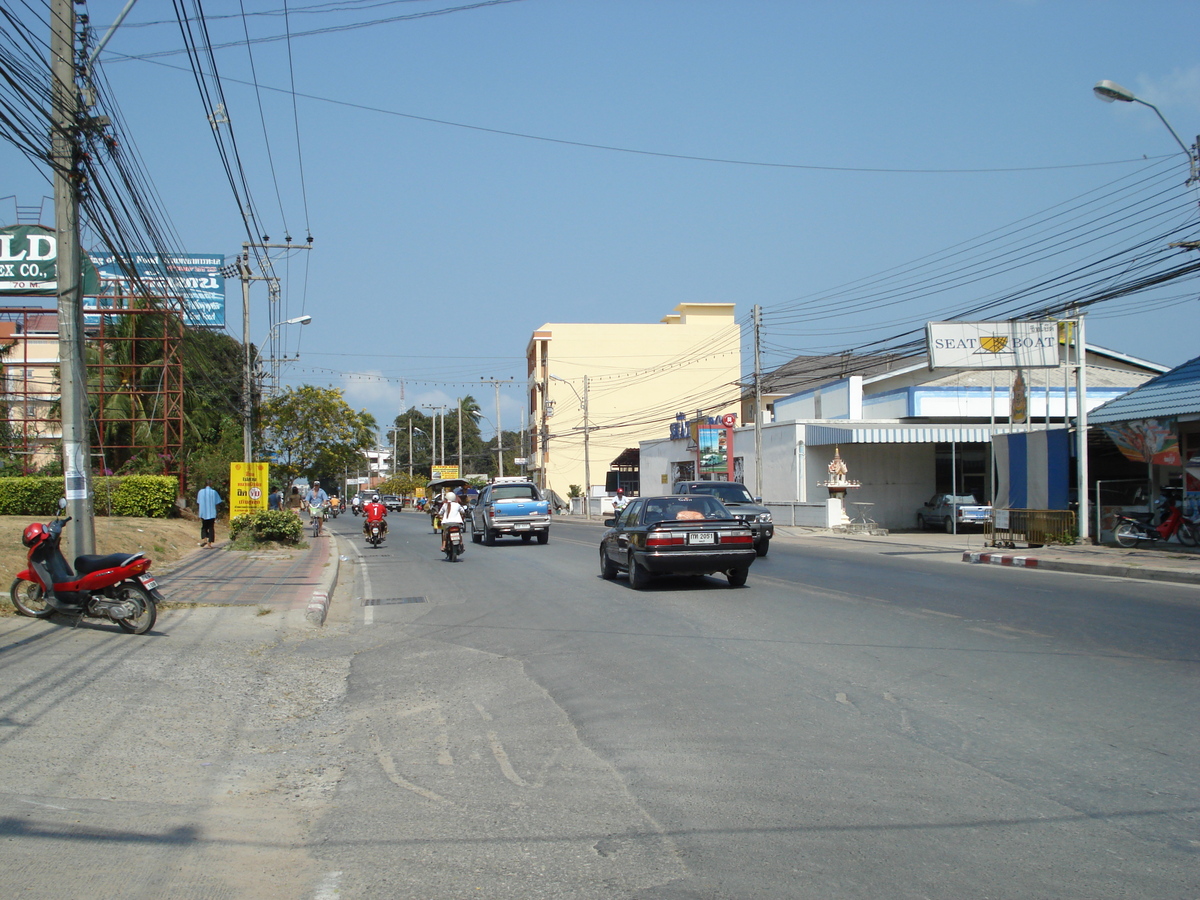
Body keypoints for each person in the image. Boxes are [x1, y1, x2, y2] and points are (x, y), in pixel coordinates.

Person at [197, 479, 222, 548]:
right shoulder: (214, 492)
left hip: (203, 512)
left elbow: (198, 502)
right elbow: (217, 503)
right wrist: (217, 512)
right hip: (211, 513)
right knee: (211, 527)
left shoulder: (200, 492)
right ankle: (209, 543)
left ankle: (205, 538)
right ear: (211, 484)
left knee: (204, 526)